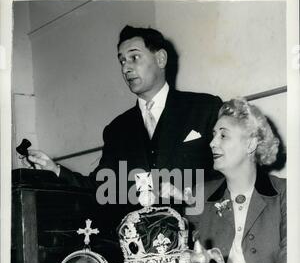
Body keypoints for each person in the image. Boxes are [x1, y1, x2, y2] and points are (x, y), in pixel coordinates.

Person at [25, 25, 222, 240]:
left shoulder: (205, 108)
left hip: (200, 241)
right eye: (122, 61)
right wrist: (55, 170)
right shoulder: (117, 129)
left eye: (134, 57)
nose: (125, 68)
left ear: (161, 59)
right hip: (139, 250)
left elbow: (227, 176)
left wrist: (189, 195)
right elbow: (101, 187)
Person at [185, 98, 286, 263]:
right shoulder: (199, 195)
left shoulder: (285, 192)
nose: (212, 143)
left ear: (250, 144)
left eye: (223, 135)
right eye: (214, 135)